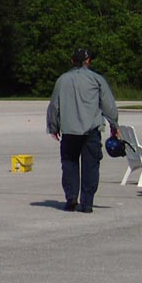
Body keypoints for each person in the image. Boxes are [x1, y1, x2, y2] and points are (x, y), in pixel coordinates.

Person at [46, 48, 120, 213]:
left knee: (69, 164)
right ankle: (87, 202)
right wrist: (114, 125)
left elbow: (54, 106)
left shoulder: (62, 80)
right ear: (88, 61)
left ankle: (71, 197)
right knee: (91, 166)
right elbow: (108, 105)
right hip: (91, 130)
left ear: (72, 61)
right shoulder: (97, 79)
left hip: (69, 131)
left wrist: (53, 126)